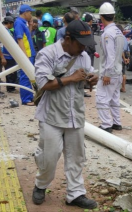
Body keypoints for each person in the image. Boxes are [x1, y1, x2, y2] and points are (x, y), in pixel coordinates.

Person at [32, 19, 99, 209]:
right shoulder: (47, 54)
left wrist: (93, 79)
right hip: (52, 116)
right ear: (68, 38)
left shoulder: (83, 56)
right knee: (49, 157)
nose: (83, 49)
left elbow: (87, 76)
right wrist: (71, 78)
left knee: (77, 157)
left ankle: (75, 194)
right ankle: (41, 185)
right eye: (80, 44)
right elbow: (43, 83)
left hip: (75, 114)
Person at [96, 2, 126, 133]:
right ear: (113, 16)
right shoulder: (118, 31)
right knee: (114, 99)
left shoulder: (107, 34)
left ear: (102, 17)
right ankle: (117, 123)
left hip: (110, 72)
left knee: (101, 99)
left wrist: (107, 73)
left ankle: (106, 124)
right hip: (118, 71)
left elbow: (110, 55)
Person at [14, 4, 36, 106]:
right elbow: (19, 39)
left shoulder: (23, 23)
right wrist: (24, 55)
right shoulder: (19, 23)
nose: (31, 14)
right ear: (25, 12)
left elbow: (26, 37)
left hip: (29, 53)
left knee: (29, 75)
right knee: (25, 76)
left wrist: (30, 26)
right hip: (26, 54)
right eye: (30, 12)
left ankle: (29, 97)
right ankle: (26, 99)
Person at [82, 13, 98, 98]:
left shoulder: (83, 27)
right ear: (90, 21)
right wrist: (94, 51)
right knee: (89, 68)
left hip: (84, 50)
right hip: (89, 52)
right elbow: (90, 41)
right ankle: (87, 84)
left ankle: (85, 84)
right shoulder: (89, 28)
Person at [1, 16, 18, 93]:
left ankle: (11, 87)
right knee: (10, 72)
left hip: (8, 54)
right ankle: (10, 88)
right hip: (8, 55)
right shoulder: (5, 31)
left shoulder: (4, 30)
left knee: (10, 72)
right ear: (9, 23)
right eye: (12, 23)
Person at [116, 24, 130, 93]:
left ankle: (116, 88)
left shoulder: (118, 38)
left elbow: (121, 50)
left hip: (119, 58)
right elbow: (128, 50)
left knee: (118, 73)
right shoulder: (124, 38)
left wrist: (124, 58)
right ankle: (123, 87)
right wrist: (128, 58)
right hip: (125, 57)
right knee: (123, 73)